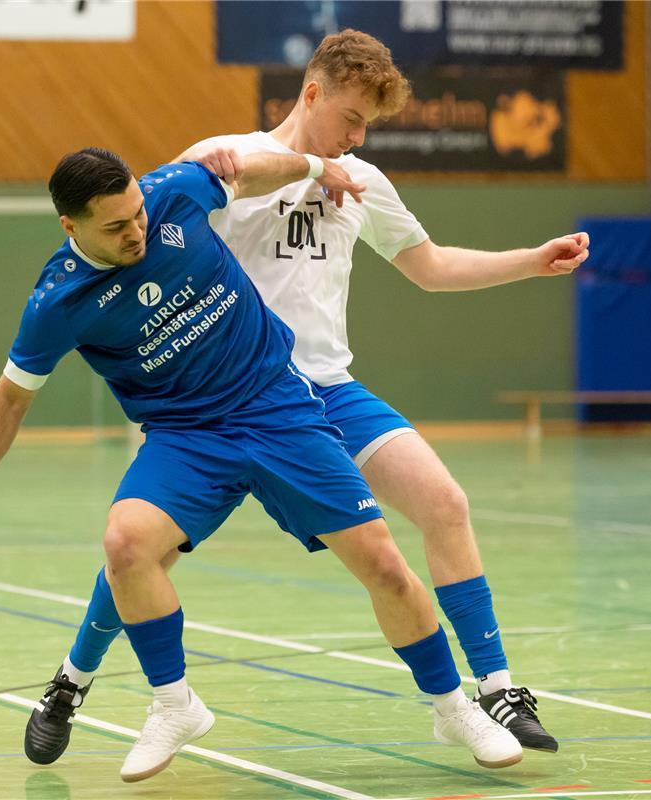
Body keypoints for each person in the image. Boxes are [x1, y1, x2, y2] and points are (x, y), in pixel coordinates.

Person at [0, 147, 524, 783]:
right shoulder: (57, 303)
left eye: (137, 215)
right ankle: (175, 704)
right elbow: (9, 397)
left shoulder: (176, 193)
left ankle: (452, 707)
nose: (135, 231)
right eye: (115, 227)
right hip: (186, 436)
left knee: (385, 566)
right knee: (126, 544)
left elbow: (247, 172)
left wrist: (310, 167)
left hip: (277, 407)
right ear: (71, 227)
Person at [178, 29, 586, 748]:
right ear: (312, 92)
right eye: (352, 118)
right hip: (240, 401)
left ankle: (495, 691)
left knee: (444, 503)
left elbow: (430, 266)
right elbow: (182, 192)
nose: (359, 136)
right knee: (142, 546)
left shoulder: (363, 179)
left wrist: (532, 260)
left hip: (330, 391)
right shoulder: (229, 156)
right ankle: (75, 681)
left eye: (369, 125)